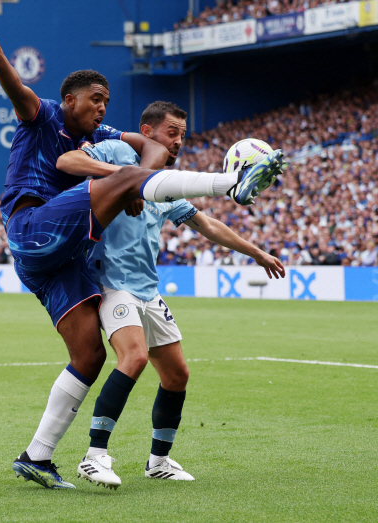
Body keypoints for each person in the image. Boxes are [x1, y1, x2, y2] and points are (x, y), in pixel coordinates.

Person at [0, 36, 284, 489]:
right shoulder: (48, 115)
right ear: (70, 99)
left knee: (90, 355)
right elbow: (25, 102)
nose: (102, 109)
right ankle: (231, 181)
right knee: (130, 355)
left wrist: (141, 177)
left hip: (63, 260)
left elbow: (149, 156)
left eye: (107, 102)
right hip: (33, 227)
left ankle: (36, 456)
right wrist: (0, 63)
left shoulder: (107, 138)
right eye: (95, 100)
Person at [56, 101, 285, 488]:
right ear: (147, 132)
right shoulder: (118, 153)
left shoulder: (163, 183)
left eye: (182, 135)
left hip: (147, 289)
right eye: (171, 133)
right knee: (134, 357)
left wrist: (257, 252)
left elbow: (206, 223)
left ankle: (158, 460)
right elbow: (68, 162)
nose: (178, 141)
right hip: (111, 283)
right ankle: (94, 457)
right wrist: (124, 178)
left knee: (177, 375)